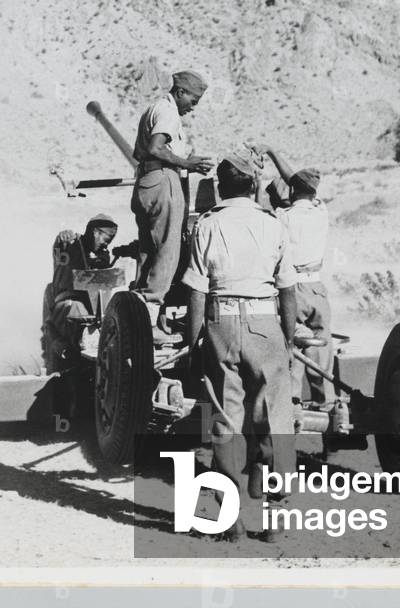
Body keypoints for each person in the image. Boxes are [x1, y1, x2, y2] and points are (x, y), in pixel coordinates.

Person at [181, 155, 298, 542]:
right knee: (273, 418)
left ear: (219, 187)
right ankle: (275, 520)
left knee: (226, 421)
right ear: (253, 186)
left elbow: (196, 290)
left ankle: (230, 522)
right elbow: (287, 289)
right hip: (266, 322)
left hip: (221, 322)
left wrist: (196, 338)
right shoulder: (273, 224)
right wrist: (287, 337)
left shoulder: (208, 225)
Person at [251, 145, 334, 411]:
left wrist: (258, 176)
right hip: (316, 287)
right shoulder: (321, 212)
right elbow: (294, 181)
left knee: (291, 341)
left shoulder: (283, 217)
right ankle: (325, 401)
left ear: (293, 192)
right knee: (321, 345)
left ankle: (292, 399)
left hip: (291, 289)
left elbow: (261, 207)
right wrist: (275, 153)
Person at [130, 70, 215, 322]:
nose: (192, 107)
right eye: (193, 101)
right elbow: (156, 147)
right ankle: (151, 310)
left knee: (148, 250)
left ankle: (138, 305)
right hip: (164, 179)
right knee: (169, 248)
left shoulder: (154, 109)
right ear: (180, 93)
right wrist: (185, 164)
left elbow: (142, 152)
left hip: (147, 182)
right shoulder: (168, 112)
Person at [45, 213, 119, 369]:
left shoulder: (102, 255)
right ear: (95, 232)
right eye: (106, 240)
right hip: (67, 302)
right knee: (76, 311)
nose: (107, 245)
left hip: (94, 309)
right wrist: (62, 241)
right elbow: (60, 256)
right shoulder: (70, 243)